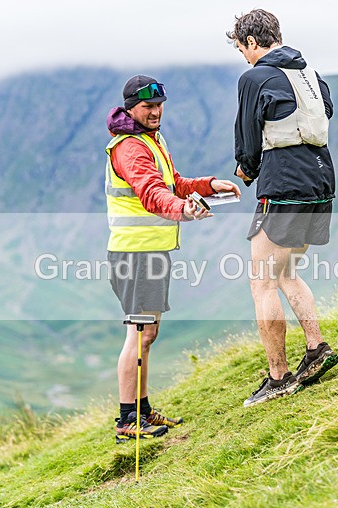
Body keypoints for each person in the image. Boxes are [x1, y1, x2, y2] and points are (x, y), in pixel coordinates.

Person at [105, 75, 241, 441]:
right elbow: (152, 194)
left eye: (160, 105)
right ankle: (126, 421)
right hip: (135, 253)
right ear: (131, 108)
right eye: (148, 106)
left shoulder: (152, 140)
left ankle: (142, 412)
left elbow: (173, 182)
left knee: (147, 333)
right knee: (138, 335)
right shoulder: (130, 148)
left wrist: (208, 186)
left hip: (151, 251)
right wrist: (183, 209)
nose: (156, 112)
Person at [227, 9, 338, 407]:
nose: (244, 56)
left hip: (284, 184)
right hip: (321, 180)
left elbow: (247, 136)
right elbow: (325, 112)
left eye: (242, 48)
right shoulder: (309, 73)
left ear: (252, 42)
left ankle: (278, 376)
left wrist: (246, 169)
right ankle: (316, 348)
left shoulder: (254, 77)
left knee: (261, 281)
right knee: (286, 270)